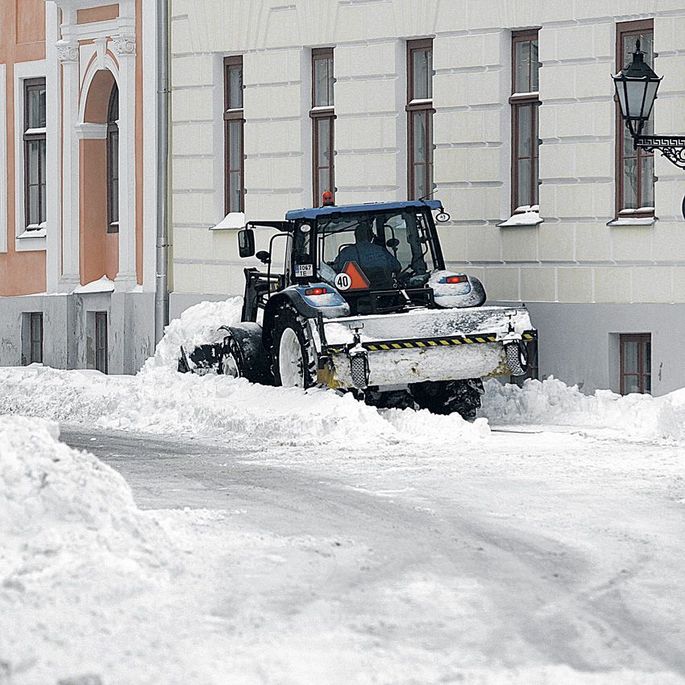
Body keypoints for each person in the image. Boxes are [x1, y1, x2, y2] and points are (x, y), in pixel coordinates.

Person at [331, 221, 402, 290]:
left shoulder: (346, 252)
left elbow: (336, 269)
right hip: (383, 290)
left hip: (353, 293)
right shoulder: (381, 250)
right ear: (371, 236)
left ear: (356, 236)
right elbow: (397, 267)